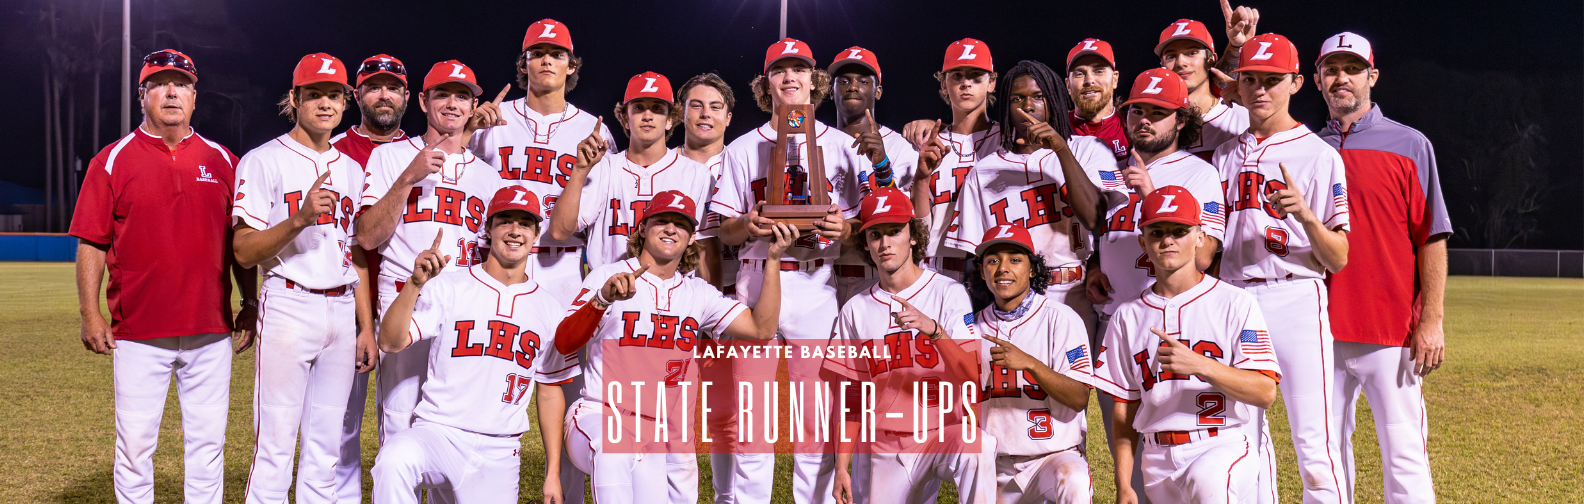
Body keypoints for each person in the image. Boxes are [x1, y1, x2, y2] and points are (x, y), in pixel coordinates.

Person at [70, 48, 256, 504]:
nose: (171, 92)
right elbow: (92, 242)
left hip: (210, 328)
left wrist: (249, 304)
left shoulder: (224, 161)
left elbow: (242, 243)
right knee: (135, 447)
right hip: (137, 330)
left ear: (194, 97)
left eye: (182, 84)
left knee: (208, 445)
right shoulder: (112, 159)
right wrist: (90, 314)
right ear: (143, 95)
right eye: (159, 83)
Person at [554, 191, 794, 504]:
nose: (671, 229)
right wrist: (602, 299)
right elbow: (564, 343)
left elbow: (761, 329)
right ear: (642, 228)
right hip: (599, 414)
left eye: (680, 224)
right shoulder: (607, 277)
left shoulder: (697, 294)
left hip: (652, 434)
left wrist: (772, 259)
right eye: (662, 221)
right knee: (614, 451)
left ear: (692, 237)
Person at [710, 37, 868, 504]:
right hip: (757, 279)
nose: (790, 77)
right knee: (752, 418)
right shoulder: (742, 147)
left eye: (799, 69)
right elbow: (724, 231)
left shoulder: (842, 144)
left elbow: (867, 223)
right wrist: (748, 223)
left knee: (814, 419)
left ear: (815, 80)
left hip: (816, 281)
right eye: (780, 70)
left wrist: (847, 227)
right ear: (766, 84)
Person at [1076, 67, 1240, 504]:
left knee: (1178, 450)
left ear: (1181, 120)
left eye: (1158, 112)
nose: (1143, 120)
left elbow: (1204, 255)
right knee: (1127, 451)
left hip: (1173, 330)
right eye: (1137, 111)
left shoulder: (1198, 174)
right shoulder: (1112, 171)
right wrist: (1095, 263)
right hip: (1117, 323)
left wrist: (1152, 194)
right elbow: (1108, 235)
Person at [467, 23, 615, 500]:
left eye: (557, 54)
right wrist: (470, 129)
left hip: (560, 268)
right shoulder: (493, 120)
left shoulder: (593, 129)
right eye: (537, 53)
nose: (546, 61)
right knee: (483, 381)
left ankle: (568, 494)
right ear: (523, 62)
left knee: (568, 393)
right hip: (496, 266)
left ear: (571, 65)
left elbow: (575, 223)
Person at [370, 186, 578, 504]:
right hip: (439, 432)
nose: (514, 231)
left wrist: (552, 473)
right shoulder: (451, 286)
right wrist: (413, 285)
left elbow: (549, 390)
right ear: (488, 229)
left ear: (536, 234)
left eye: (525, 223)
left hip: (499, 452)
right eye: (505, 220)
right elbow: (390, 340)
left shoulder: (549, 309)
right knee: (394, 458)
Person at [1214, 33, 1353, 504]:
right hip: (1234, 298)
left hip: (1295, 295)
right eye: (1249, 79)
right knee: (1242, 440)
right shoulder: (1225, 154)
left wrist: (1307, 217)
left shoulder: (1318, 154)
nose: (1259, 90)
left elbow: (1338, 256)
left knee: (1314, 444)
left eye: (1272, 80)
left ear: (1296, 82)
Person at [1314, 32, 1447, 504]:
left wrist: (1430, 320)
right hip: (1319, 330)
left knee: (1404, 453)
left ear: (1372, 76)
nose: (1341, 78)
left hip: (1391, 330)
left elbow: (1431, 237)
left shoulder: (1410, 144)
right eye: (1331, 69)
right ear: (1316, 80)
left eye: (1351, 68)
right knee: (1323, 457)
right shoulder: (1306, 147)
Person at [230, 53, 368, 504]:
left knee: (327, 447)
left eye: (334, 95)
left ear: (345, 102)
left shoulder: (351, 168)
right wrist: (299, 219)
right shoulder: (263, 159)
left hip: (342, 308)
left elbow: (353, 252)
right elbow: (243, 250)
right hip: (289, 302)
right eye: (315, 94)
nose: (325, 104)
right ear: (295, 98)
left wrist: (364, 324)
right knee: (274, 444)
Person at [1095, 186, 1282, 504]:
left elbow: (1264, 392)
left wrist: (1200, 365)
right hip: (1156, 461)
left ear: (1199, 237)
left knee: (1207, 480)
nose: (1167, 240)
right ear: (1143, 241)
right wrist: (1124, 482)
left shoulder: (1235, 303)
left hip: (1222, 447)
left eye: (1179, 231)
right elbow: (1125, 408)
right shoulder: (1126, 317)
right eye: (1157, 232)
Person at [357, 60, 505, 445]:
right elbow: (368, 237)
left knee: (455, 423)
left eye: (463, 96)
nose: (453, 104)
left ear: (474, 107)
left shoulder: (489, 178)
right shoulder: (389, 157)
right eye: (443, 94)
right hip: (405, 295)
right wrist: (409, 176)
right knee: (399, 423)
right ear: (423, 102)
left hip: (463, 306)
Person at [827, 187, 992, 504]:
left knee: (977, 445)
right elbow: (850, 396)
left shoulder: (947, 293)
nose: (885, 243)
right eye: (875, 234)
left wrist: (934, 331)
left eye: (894, 231)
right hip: (884, 445)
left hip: (940, 435)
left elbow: (972, 374)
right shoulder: (855, 309)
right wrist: (841, 466)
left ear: (913, 236)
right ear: (866, 243)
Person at [947, 59, 1114, 333]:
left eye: (1039, 96)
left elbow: (1095, 218)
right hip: (1009, 299)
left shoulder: (1087, 149)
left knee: (1072, 376)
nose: (1027, 106)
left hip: (1076, 293)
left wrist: (1060, 148)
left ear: (1055, 99)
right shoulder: (984, 170)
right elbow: (972, 260)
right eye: (1017, 98)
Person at [328, 52, 409, 504]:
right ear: (357, 94)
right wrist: (363, 324)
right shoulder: (335, 150)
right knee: (341, 423)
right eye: (374, 86)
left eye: (393, 87)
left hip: (405, 303)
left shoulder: (424, 151)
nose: (384, 94)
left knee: (405, 421)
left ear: (406, 97)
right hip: (345, 303)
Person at [968, 224, 1094, 504]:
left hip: (1052, 459)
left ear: (1033, 269)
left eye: (1015, 259)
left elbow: (1079, 398)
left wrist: (1031, 365)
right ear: (981, 271)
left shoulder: (1061, 318)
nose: (1003, 268)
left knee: (1073, 479)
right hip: (993, 464)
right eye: (992, 260)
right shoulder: (970, 328)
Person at [549, 71, 712, 272]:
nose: (647, 116)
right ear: (625, 119)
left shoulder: (696, 174)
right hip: (607, 289)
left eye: (657, 108)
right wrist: (579, 170)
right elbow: (559, 231)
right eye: (639, 108)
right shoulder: (604, 168)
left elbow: (704, 248)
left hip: (669, 293)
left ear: (670, 120)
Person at [904, 38, 1003, 283]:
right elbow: (920, 225)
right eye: (956, 75)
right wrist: (922, 179)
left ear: (991, 82)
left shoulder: (1007, 140)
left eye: (976, 75)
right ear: (943, 83)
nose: (966, 83)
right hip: (936, 268)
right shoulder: (929, 142)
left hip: (995, 269)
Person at [828, 46, 918, 304]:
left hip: (877, 276)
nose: (852, 87)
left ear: (877, 91)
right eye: (843, 81)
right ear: (831, 90)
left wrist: (882, 164)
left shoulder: (901, 146)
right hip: (822, 274)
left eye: (863, 81)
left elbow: (902, 217)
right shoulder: (817, 143)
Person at [1154, 0, 1261, 159]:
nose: (1181, 62)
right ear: (1162, 64)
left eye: (1192, 53)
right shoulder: (1153, 124)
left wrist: (1238, 46)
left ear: (1211, 59)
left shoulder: (1243, 117)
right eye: (1171, 56)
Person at [679, 73, 739, 293]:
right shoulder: (664, 165)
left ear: (728, 117)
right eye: (696, 106)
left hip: (738, 287)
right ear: (681, 112)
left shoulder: (742, 163)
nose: (705, 114)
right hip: (673, 287)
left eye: (715, 107)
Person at [1065, 38, 1129, 159]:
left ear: (1115, 79)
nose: (1089, 81)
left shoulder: (1131, 126)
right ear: (1068, 85)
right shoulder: (1056, 127)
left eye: (1099, 71)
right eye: (1079, 73)